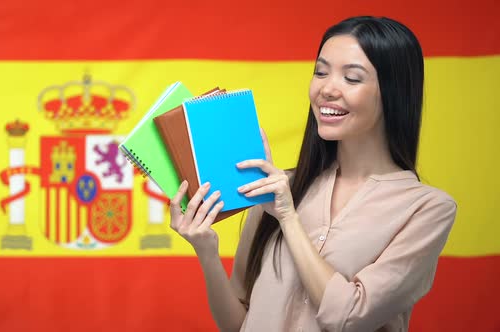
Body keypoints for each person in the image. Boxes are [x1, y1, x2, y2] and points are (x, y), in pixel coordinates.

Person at [168, 16, 457, 332]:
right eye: (320, 72)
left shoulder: (427, 208)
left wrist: (289, 219)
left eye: (352, 78)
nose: (327, 89)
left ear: (393, 91)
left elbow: (350, 317)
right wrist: (206, 252)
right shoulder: (281, 188)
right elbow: (237, 324)